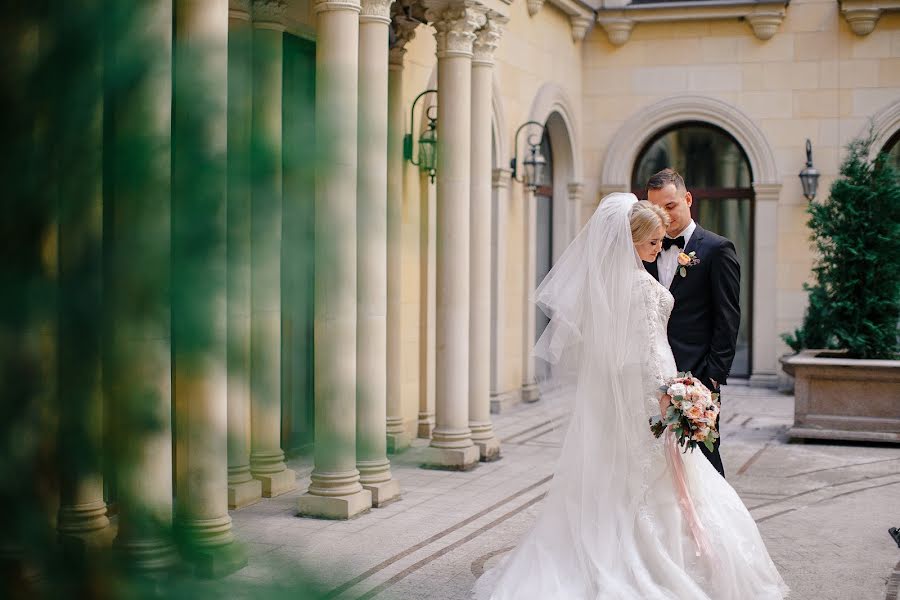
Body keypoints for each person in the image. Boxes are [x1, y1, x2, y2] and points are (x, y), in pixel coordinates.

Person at [472, 193, 786, 600]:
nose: (659, 247)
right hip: (654, 390)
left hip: (647, 389)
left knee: (638, 478)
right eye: (653, 242)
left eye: (660, 242)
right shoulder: (637, 284)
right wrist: (671, 392)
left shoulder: (612, 282)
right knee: (660, 480)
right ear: (633, 239)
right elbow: (647, 351)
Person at [645, 168, 740, 477]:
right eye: (657, 209)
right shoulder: (645, 252)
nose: (665, 215)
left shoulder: (717, 249)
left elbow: (727, 318)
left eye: (671, 206)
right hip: (653, 376)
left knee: (705, 461)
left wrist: (711, 378)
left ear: (688, 199)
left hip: (696, 379)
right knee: (660, 462)